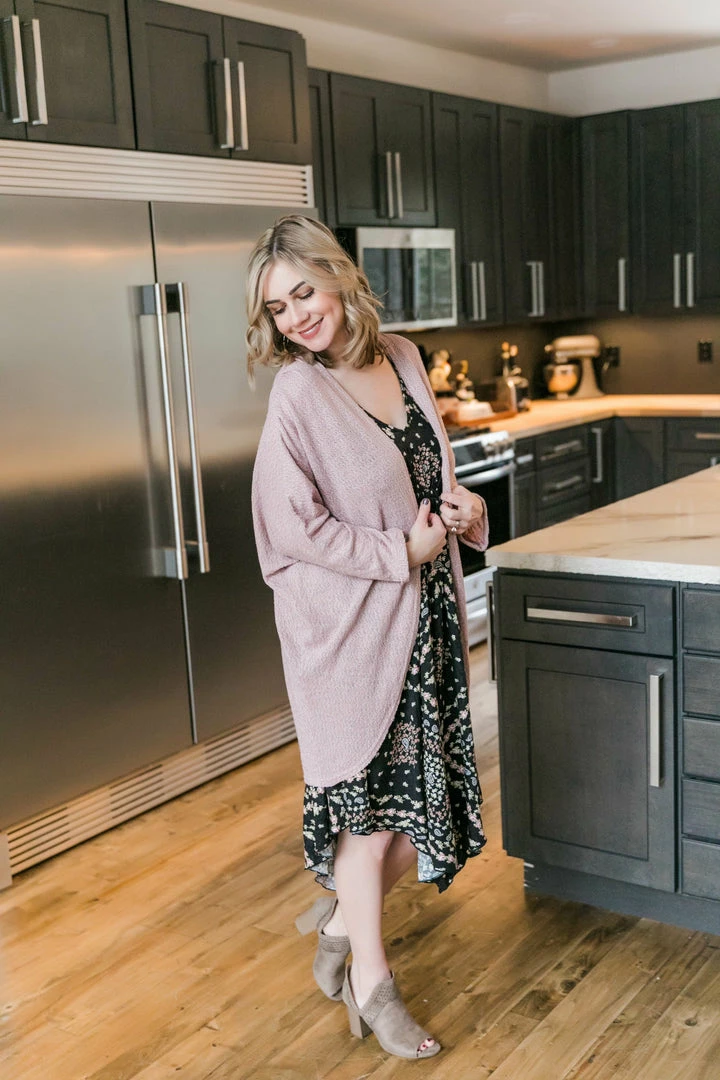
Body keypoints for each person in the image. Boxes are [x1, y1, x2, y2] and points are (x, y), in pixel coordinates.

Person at [248, 216, 488, 1061]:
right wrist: (399, 554)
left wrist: (468, 512)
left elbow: (430, 476)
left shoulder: (407, 358)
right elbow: (288, 529)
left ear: (338, 277)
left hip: (428, 622)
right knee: (373, 825)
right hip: (354, 635)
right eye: (278, 309)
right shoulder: (299, 395)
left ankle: (341, 923)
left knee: (421, 814)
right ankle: (372, 984)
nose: (296, 317)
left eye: (303, 293)